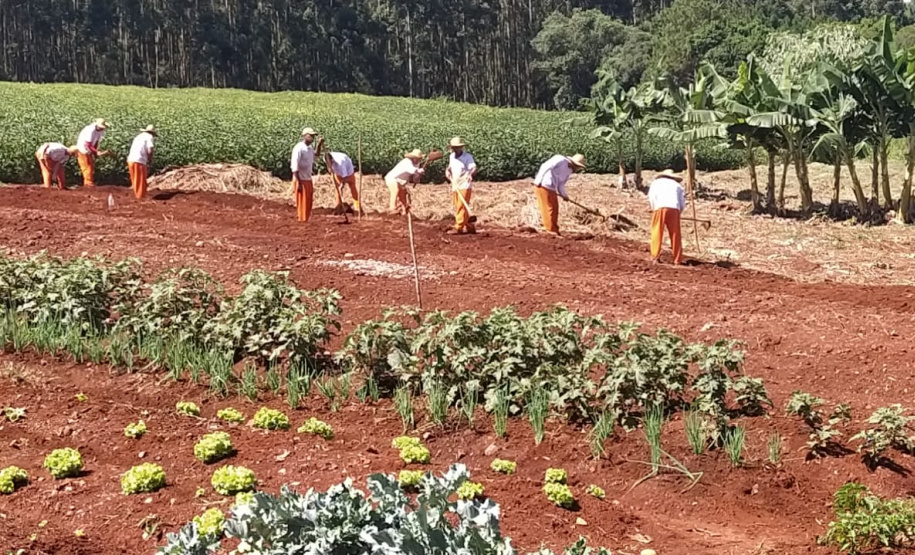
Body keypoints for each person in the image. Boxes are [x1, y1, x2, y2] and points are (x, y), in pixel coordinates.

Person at [532, 153, 586, 236]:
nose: (577, 168)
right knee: (549, 209)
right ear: (574, 163)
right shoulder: (560, 159)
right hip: (543, 185)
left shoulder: (569, 171)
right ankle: (550, 230)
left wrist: (564, 195)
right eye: (578, 166)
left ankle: (554, 230)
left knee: (555, 209)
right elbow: (545, 166)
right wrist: (538, 181)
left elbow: (561, 184)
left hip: (552, 188)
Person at [648, 169, 686, 265]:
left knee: (657, 231)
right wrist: (678, 212)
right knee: (675, 234)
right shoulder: (677, 185)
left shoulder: (655, 183)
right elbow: (682, 203)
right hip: (674, 208)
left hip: (659, 207)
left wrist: (654, 208)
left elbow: (651, 198)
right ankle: (677, 260)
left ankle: (655, 256)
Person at [445, 136, 477, 234]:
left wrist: (471, 175)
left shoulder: (467, 157)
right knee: (458, 206)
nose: (456, 149)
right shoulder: (451, 156)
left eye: (457, 147)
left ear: (461, 147)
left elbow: (474, 167)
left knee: (461, 206)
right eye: (454, 147)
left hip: (464, 184)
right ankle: (469, 226)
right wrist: (447, 171)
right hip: (455, 184)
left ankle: (458, 227)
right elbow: (449, 168)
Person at [290, 127, 324, 222]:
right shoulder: (299, 148)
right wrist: (299, 183)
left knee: (308, 202)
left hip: (308, 179)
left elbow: (316, 155)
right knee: (302, 202)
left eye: (313, 136)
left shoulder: (309, 149)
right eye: (311, 136)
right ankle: (302, 220)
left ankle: (305, 219)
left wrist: (319, 144)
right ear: (305, 136)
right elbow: (294, 166)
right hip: (300, 179)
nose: (312, 138)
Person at [384, 149, 425, 214]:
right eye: (416, 158)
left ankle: (404, 210)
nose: (417, 160)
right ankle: (392, 208)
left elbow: (414, 176)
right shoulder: (407, 162)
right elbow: (411, 170)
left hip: (401, 182)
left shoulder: (417, 164)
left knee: (403, 194)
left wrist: (417, 177)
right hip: (392, 178)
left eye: (419, 158)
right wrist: (418, 171)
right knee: (395, 190)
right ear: (412, 157)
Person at [76, 118, 109, 186]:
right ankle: (88, 183)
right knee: (86, 166)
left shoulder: (101, 131)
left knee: (91, 165)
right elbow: (88, 144)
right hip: (83, 149)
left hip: (89, 149)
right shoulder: (90, 130)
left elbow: (96, 142)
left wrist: (95, 152)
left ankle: (89, 182)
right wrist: (96, 151)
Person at [127, 125, 157, 199]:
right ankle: (140, 197)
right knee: (140, 180)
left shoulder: (138, 136)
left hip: (131, 159)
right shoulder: (149, 137)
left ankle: (137, 196)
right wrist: (150, 160)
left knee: (135, 179)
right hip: (139, 160)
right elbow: (150, 150)